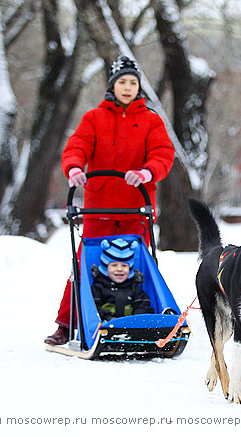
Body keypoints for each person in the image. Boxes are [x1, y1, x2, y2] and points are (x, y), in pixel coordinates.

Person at [45, 55, 174, 346]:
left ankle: (147, 318)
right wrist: (75, 168)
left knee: (139, 265)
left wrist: (146, 171)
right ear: (112, 86)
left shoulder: (151, 121)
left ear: (139, 87)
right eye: (122, 82)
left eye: (133, 82)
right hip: (99, 207)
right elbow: (76, 146)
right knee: (85, 263)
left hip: (135, 207)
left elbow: (163, 154)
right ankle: (68, 323)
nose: (127, 87)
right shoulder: (94, 118)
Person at [90, 238, 155, 321]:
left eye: (124, 265)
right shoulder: (98, 287)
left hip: (131, 326)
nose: (120, 269)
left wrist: (136, 319)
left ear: (130, 268)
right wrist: (107, 317)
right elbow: (93, 307)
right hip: (105, 326)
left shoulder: (134, 288)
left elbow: (143, 304)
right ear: (105, 267)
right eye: (114, 265)